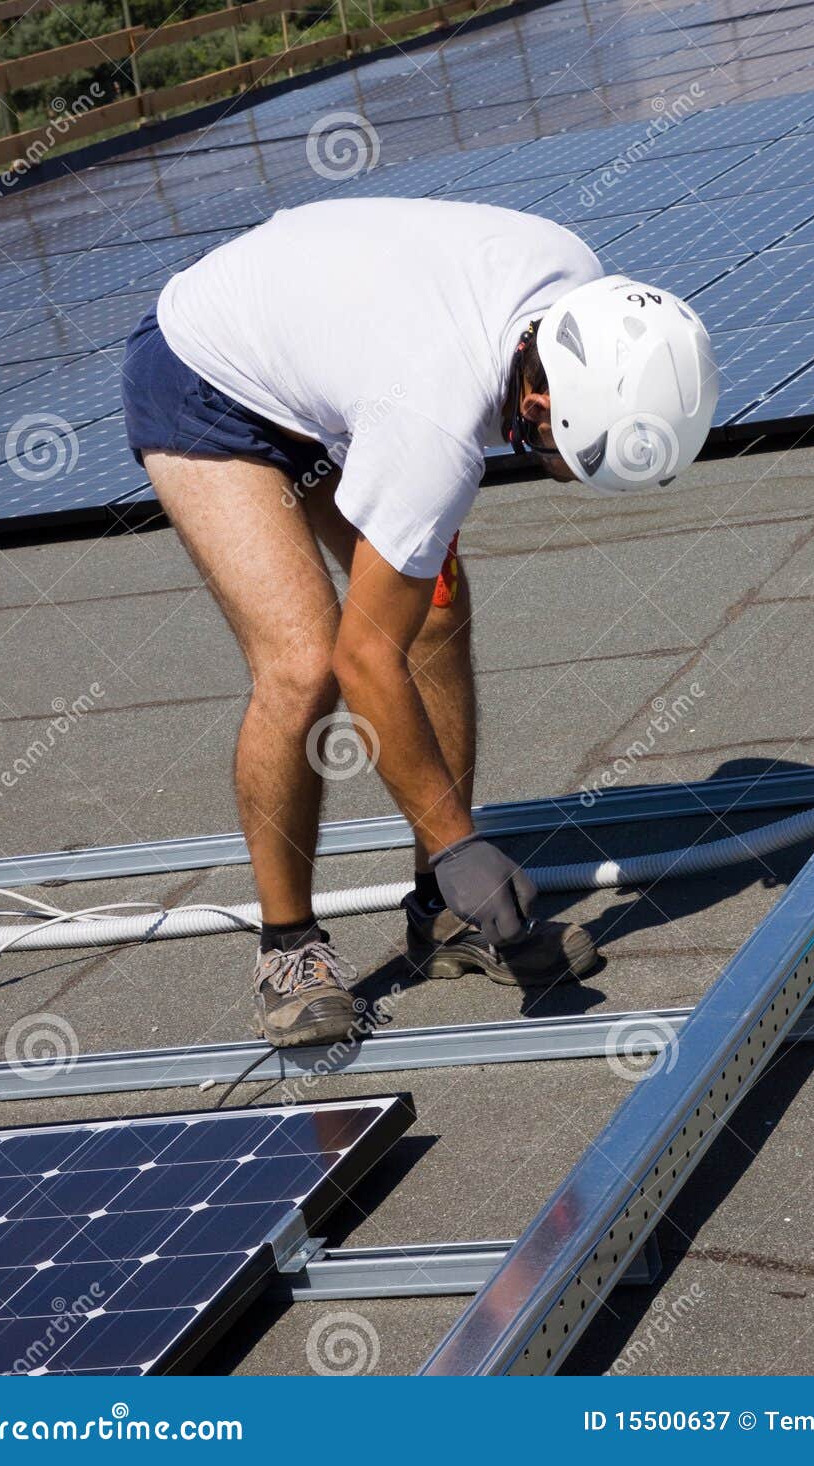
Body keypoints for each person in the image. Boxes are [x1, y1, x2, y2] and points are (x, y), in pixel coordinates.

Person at [121, 196, 719, 1046]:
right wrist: (457, 841)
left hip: (328, 357)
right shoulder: (436, 423)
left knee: (432, 613)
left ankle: (441, 915)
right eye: (560, 458)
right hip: (207, 376)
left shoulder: (585, 293)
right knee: (307, 663)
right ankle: (288, 950)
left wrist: (450, 863)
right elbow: (368, 660)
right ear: (540, 400)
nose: (554, 473)